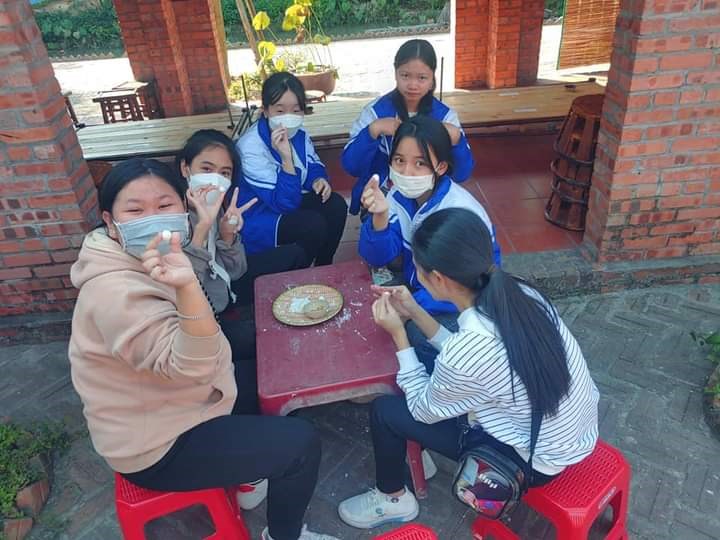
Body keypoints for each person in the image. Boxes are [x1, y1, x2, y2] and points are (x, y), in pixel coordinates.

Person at [68, 158, 338, 540]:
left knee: (271, 372)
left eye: (164, 205)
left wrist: (208, 232)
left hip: (173, 401)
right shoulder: (114, 292)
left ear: (183, 207)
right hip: (157, 444)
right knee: (301, 445)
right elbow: (191, 365)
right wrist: (188, 285)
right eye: (135, 210)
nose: (153, 220)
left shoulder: (138, 254)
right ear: (111, 222)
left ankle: (249, 476)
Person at [338, 208, 599, 529]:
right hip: (571, 431)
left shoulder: (470, 347)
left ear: (438, 279)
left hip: (533, 461)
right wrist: (414, 311)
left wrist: (398, 334)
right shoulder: (520, 292)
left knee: (386, 411)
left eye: (417, 268)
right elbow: (473, 358)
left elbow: (422, 409)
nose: (415, 274)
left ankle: (393, 498)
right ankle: (415, 451)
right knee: (425, 361)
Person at [177, 129, 307, 413]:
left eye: (224, 173)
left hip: (224, 290)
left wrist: (227, 235)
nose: (215, 179)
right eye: (206, 169)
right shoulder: (172, 218)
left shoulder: (215, 203)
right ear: (185, 168)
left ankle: (268, 315)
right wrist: (200, 233)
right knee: (276, 342)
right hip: (204, 320)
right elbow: (184, 291)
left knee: (295, 254)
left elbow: (236, 271)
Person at [358, 115, 501, 371]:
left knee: (418, 336)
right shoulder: (396, 195)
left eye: (420, 163)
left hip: (467, 301)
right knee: (370, 301)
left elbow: (466, 285)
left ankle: (441, 383)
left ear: (441, 167)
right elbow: (377, 258)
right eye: (399, 160)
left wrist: (412, 307)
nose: (406, 172)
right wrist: (379, 217)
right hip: (423, 284)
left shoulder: (458, 210)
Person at [342, 38, 475, 215]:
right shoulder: (375, 113)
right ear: (395, 73)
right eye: (405, 75)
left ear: (432, 78)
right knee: (382, 227)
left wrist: (456, 139)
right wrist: (373, 131)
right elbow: (351, 166)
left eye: (422, 78)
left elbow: (461, 174)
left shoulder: (446, 117)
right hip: (383, 194)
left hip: (430, 196)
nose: (413, 85)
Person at [235, 72, 348, 266]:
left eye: (296, 110)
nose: (288, 118)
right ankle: (298, 271)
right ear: (265, 111)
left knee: (335, 205)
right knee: (312, 225)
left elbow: (312, 162)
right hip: (262, 212)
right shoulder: (250, 148)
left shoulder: (298, 133)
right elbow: (283, 204)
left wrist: (318, 179)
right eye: (280, 111)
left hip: (290, 196)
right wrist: (286, 159)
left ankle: (324, 266)